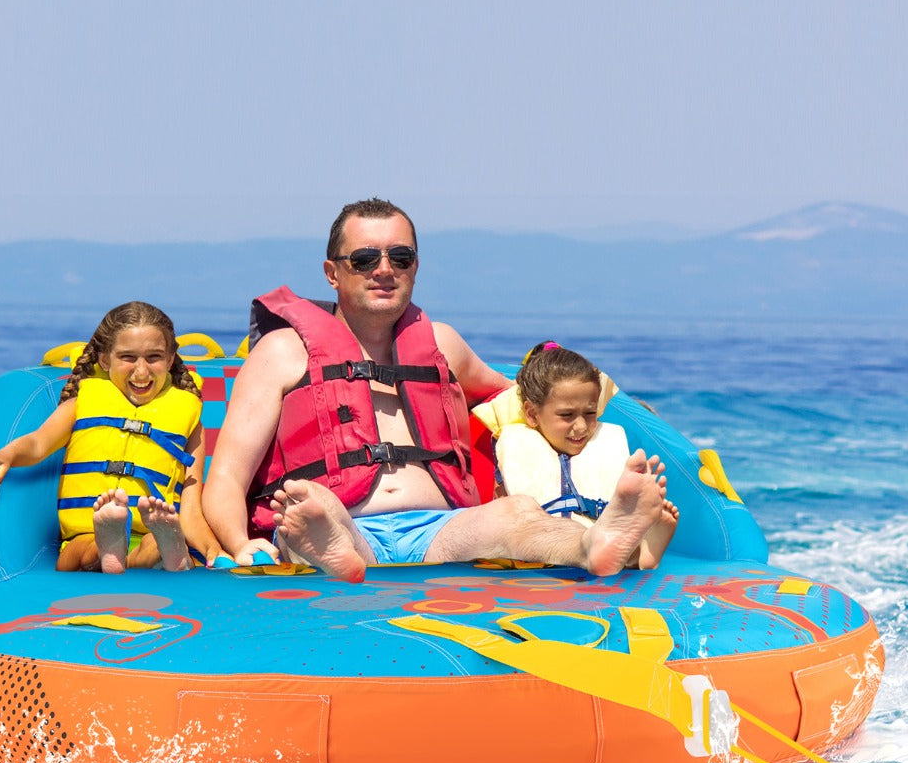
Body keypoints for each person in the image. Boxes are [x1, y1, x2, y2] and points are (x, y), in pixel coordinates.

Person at [202, 197, 668, 582]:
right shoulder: (283, 353)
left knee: (516, 515)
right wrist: (242, 545)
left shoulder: (442, 344)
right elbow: (225, 477)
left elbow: (527, 397)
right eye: (365, 259)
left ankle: (594, 543)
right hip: (338, 519)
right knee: (313, 508)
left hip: (441, 530)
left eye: (399, 258)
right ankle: (337, 549)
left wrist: (625, 411)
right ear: (332, 272)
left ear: (415, 267)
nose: (384, 269)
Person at [0, 301, 223, 573]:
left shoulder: (188, 420)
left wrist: (214, 551)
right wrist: (5, 454)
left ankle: (163, 549)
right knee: (80, 551)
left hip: (148, 531)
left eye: (154, 357)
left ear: (170, 359)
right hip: (88, 532)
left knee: (152, 544)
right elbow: (38, 443)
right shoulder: (81, 404)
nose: (141, 371)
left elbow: (191, 509)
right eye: (128, 357)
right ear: (105, 359)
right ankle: (113, 548)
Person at [492, 341, 678, 569]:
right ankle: (630, 551)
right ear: (532, 414)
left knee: (612, 533)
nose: (580, 426)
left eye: (590, 413)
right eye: (566, 415)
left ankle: (642, 551)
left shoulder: (605, 442)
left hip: (601, 533)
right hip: (539, 541)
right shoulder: (516, 442)